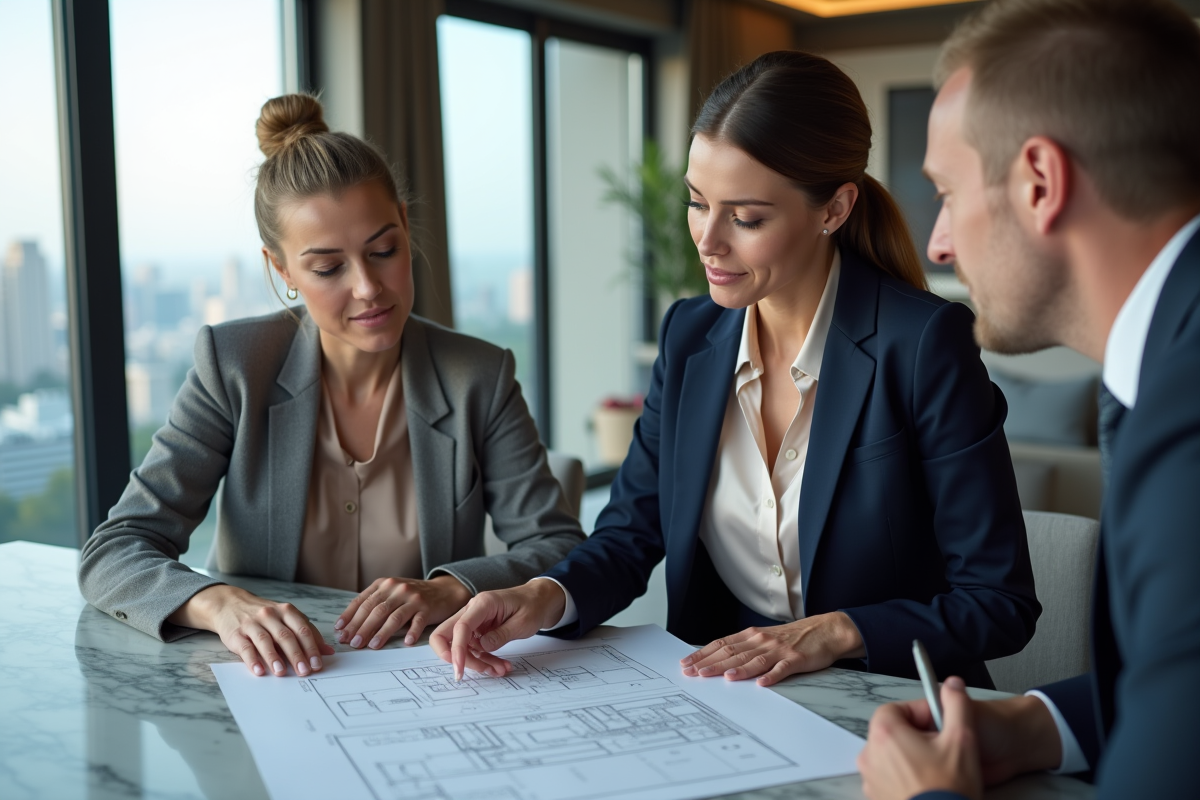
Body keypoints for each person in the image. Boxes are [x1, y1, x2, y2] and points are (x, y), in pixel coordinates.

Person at [430, 51, 1040, 689]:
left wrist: (837, 630)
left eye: (746, 218)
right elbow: (631, 531)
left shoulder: (924, 344)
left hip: (893, 703)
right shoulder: (689, 335)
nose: (708, 240)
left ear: (833, 209)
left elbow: (1000, 602)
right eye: (698, 203)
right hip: (733, 699)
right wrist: (544, 596)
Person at [78, 94, 584, 679]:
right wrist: (219, 603)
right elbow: (114, 551)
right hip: (267, 681)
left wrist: (450, 589)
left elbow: (560, 545)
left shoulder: (479, 374)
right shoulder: (233, 365)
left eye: (384, 250)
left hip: (428, 680)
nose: (369, 287)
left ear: (402, 222)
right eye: (327, 267)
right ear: (281, 270)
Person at [855, 1, 1200, 799]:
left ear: (1040, 182)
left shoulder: (1186, 427)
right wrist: (1038, 723)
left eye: (945, 192)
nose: (938, 244)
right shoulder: (1167, 363)